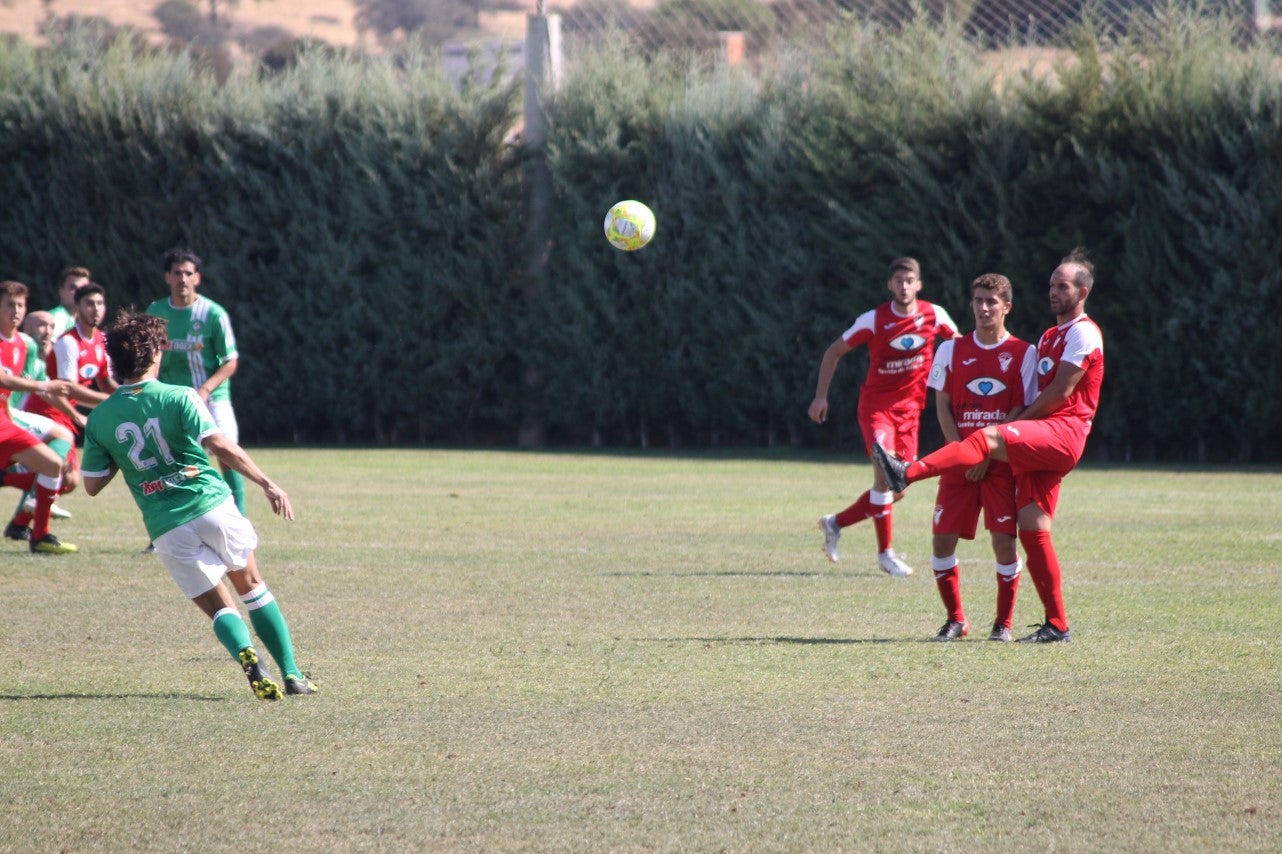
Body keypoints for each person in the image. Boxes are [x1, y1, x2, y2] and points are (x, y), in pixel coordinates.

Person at [81, 310, 316, 700]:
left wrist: (123, 460)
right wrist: (267, 483)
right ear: (155, 352)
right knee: (252, 587)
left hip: (165, 525)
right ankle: (292, 674)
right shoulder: (180, 396)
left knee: (219, 605)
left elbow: (90, 485)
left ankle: (246, 655)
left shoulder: (101, 417)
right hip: (210, 505)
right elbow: (220, 445)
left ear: (114, 361)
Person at [872, 249, 1104, 643]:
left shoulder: (1083, 331)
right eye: (1050, 284)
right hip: (1038, 438)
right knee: (1033, 527)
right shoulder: (1049, 336)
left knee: (987, 441)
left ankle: (906, 472)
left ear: (1082, 291)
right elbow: (945, 403)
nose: (1053, 291)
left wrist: (998, 439)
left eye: (1062, 285)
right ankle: (1057, 624)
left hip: (1062, 431)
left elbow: (1060, 393)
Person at [808, 257, 960, 577]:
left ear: (919, 284)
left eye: (910, 281)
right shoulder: (874, 320)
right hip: (877, 409)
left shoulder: (935, 315)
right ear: (889, 285)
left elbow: (960, 347)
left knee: (898, 488)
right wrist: (821, 396)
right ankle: (885, 555)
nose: (904, 287)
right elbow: (834, 351)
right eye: (898, 281)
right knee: (884, 472)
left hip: (911, 412)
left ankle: (835, 523)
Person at [923, 274, 1038, 642]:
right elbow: (941, 404)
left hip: (1000, 462)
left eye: (991, 301)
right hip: (959, 461)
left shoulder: (1024, 352)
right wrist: (961, 453)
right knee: (942, 539)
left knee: (1004, 541)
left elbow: (1023, 407)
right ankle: (955, 619)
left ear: (1007, 307)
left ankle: (1003, 624)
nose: (983, 308)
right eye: (978, 300)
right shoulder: (950, 349)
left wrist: (987, 452)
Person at [146, 249, 247, 515]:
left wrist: (205, 388)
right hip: (173, 400)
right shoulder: (156, 311)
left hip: (212, 398)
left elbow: (230, 361)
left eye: (188, 273)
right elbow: (150, 355)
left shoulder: (213, 314)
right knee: (171, 465)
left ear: (197, 278)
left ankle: (240, 520)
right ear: (167, 277)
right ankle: (166, 527)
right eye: (177, 273)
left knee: (229, 456)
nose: (183, 279)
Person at [0, 280, 78, 554]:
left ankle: (40, 535)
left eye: (21, 305)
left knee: (53, 464)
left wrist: (77, 414)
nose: (16, 311)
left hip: (5, 422)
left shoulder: (24, 345)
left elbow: (19, 391)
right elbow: (4, 380)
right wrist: (44, 386)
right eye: (10, 304)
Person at [48, 266, 91, 339]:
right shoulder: (56, 318)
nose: (78, 292)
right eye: (73, 288)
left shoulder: (83, 322)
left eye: (83, 289)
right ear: (61, 291)